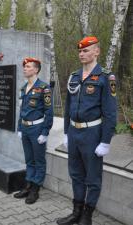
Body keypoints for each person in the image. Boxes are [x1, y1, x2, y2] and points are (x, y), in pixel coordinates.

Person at [57, 37, 117, 225]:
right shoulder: (74, 76)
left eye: (86, 50)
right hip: (74, 133)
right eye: (80, 51)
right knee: (76, 174)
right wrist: (66, 132)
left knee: (93, 177)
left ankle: (87, 215)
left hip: (93, 135)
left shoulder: (106, 77)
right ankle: (76, 211)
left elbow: (110, 112)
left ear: (97, 52)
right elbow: (68, 107)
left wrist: (105, 141)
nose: (82, 54)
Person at [13, 57, 53, 204]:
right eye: (24, 67)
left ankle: (35, 189)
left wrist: (45, 132)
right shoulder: (24, 88)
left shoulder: (44, 88)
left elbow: (49, 112)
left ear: (36, 69)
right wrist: (19, 128)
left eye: (28, 67)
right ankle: (28, 185)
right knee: (29, 159)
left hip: (37, 129)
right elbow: (22, 110)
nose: (25, 69)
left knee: (39, 161)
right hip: (25, 127)